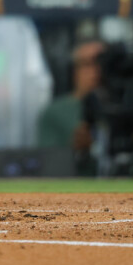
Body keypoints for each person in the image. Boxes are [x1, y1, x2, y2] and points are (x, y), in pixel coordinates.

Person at [37, 41, 104, 175]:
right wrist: (78, 149)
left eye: (101, 64)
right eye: (87, 64)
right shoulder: (56, 111)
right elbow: (47, 163)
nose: (95, 71)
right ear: (74, 70)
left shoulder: (127, 109)